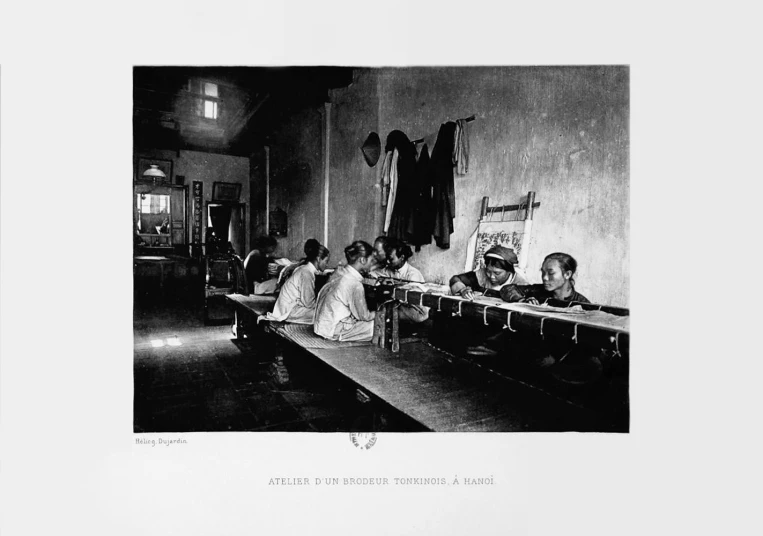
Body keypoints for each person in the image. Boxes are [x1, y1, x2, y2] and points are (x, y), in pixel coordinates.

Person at [314, 240, 376, 342]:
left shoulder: (338, 272)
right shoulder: (355, 283)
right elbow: (364, 316)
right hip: (334, 330)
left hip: (322, 326)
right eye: (371, 261)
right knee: (376, 326)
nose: (372, 266)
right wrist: (379, 313)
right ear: (363, 260)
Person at [268, 241, 330, 324]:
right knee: (324, 314)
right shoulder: (307, 273)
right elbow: (309, 304)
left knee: (324, 312)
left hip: (285, 307)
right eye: (326, 261)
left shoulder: (304, 268)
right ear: (318, 259)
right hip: (289, 311)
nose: (327, 265)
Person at [500, 252, 590, 305]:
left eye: (551, 273)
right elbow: (507, 289)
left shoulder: (582, 304)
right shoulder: (537, 291)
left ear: (567, 274)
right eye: (543, 272)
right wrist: (521, 300)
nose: (545, 278)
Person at [374, 238, 429, 323]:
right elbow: (374, 274)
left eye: (391, 259)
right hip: (400, 306)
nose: (388, 262)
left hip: (417, 311)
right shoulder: (389, 269)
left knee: (386, 311)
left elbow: (413, 300)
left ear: (402, 257)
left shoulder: (412, 274)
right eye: (387, 258)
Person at [449, 245, 529, 300]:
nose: (491, 276)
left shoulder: (520, 283)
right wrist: (463, 290)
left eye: (497, 273)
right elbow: (455, 279)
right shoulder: (481, 275)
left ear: (509, 271)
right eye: (488, 271)